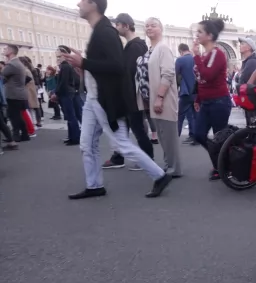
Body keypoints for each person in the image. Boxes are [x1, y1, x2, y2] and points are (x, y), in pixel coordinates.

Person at [62, 0, 172, 199]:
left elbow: (117, 66)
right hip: (93, 98)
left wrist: (85, 62)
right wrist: (84, 67)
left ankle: (160, 175)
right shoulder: (99, 30)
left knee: (121, 143)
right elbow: (104, 66)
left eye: (82, 1)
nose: (78, 4)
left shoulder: (106, 32)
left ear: (93, 4)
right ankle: (94, 185)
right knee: (87, 144)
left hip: (104, 99)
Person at [102, 13, 155, 170]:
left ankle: (147, 159)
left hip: (132, 96)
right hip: (131, 95)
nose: (116, 28)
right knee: (131, 127)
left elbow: (132, 73)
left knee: (137, 128)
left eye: (118, 25)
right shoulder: (134, 46)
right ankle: (120, 156)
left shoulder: (135, 47)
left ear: (125, 25)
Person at [136, 17, 182, 177]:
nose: (149, 28)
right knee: (162, 135)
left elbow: (168, 74)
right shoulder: (151, 49)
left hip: (163, 100)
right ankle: (169, 164)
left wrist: (160, 97)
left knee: (168, 135)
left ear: (161, 29)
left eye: (153, 25)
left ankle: (174, 168)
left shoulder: (163, 48)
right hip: (152, 100)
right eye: (147, 26)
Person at [192, 18, 232, 181]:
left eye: (200, 32)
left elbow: (207, 76)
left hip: (219, 102)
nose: (197, 35)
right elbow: (200, 81)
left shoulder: (218, 54)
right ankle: (220, 162)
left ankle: (221, 166)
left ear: (209, 35)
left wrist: (195, 57)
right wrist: (198, 98)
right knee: (198, 133)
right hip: (207, 101)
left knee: (218, 137)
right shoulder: (204, 55)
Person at [1, 44, 29, 142]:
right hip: (19, 94)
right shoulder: (17, 63)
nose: (4, 50)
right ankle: (25, 135)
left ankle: (16, 137)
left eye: (6, 49)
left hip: (14, 95)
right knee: (18, 116)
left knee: (14, 117)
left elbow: (2, 74)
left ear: (11, 52)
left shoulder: (11, 64)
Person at [53, 46, 80, 145]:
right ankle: (72, 136)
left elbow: (63, 82)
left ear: (62, 53)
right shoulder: (64, 65)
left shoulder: (65, 66)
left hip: (66, 93)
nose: (56, 52)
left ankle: (75, 137)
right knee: (69, 116)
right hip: (67, 92)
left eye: (58, 50)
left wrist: (56, 93)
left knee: (70, 116)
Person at [176, 43, 197, 143]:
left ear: (180, 51)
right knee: (194, 115)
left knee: (180, 116)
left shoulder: (180, 60)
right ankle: (194, 136)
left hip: (185, 92)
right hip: (196, 93)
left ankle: (175, 137)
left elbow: (175, 76)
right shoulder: (195, 59)